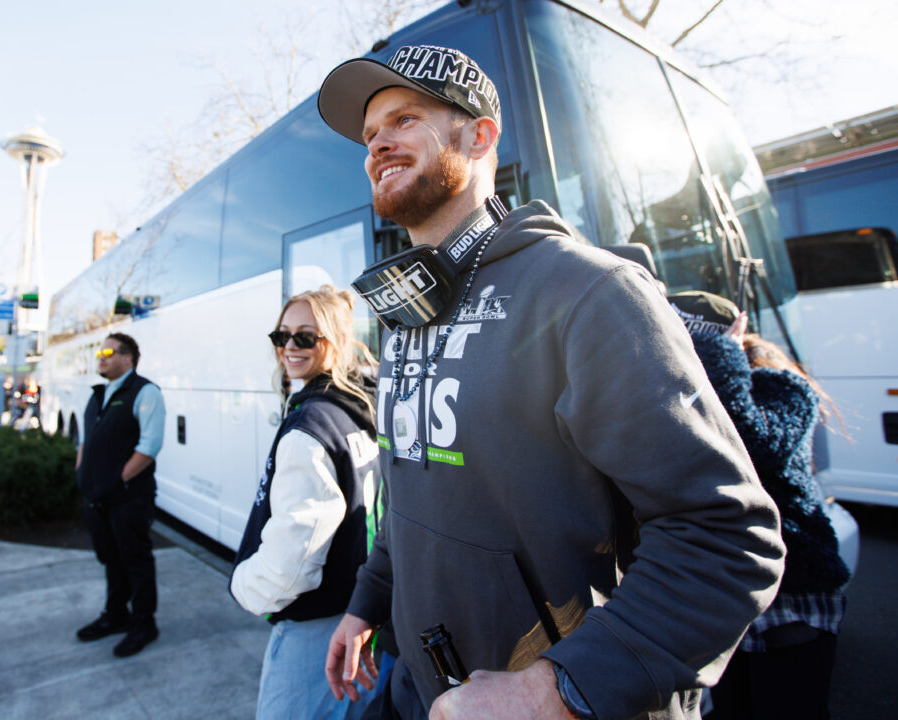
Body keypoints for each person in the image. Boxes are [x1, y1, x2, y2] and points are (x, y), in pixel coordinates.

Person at [316, 45, 785, 720]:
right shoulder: (407, 312)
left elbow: (726, 537)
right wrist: (367, 602)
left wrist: (558, 689)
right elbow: (410, 492)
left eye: (405, 119)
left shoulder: (590, 291)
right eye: (369, 135)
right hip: (420, 692)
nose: (377, 145)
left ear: (480, 137)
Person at [667, 291, 851, 720]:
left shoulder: (783, 388)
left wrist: (719, 353)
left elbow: (751, 445)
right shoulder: (691, 398)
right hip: (728, 593)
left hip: (792, 590)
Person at [230, 285, 381, 720]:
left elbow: (293, 560)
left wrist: (243, 585)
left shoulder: (311, 426)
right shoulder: (361, 409)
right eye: (282, 336)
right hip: (360, 613)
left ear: (337, 340)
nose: (290, 347)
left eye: (306, 337)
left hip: (316, 631)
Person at [75, 332, 166, 658]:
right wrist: (82, 473)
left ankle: (144, 624)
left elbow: (150, 446)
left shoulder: (145, 392)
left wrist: (117, 481)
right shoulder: (98, 394)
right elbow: (86, 441)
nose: (100, 358)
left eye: (108, 352)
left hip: (128, 497)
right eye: (99, 353)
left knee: (136, 560)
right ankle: (115, 615)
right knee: (110, 558)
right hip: (97, 496)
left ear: (128, 358)